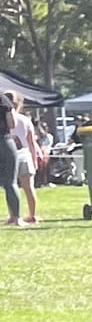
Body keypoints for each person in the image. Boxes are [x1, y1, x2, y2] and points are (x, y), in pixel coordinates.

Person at [0, 93, 39, 228]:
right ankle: (17, 217)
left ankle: (13, 216)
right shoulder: (4, 101)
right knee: (12, 183)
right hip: (5, 141)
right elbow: (12, 124)